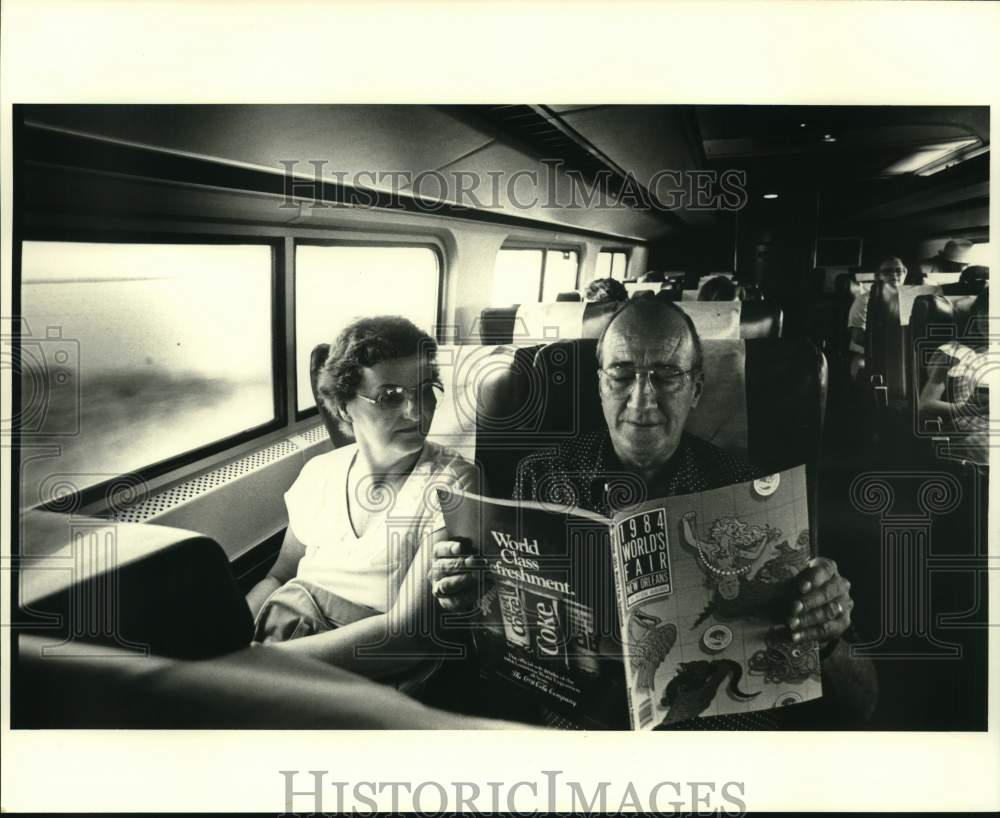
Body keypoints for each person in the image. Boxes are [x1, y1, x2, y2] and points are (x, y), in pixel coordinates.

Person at [430, 298, 878, 728]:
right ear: (600, 383)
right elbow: (502, 642)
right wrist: (471, 598)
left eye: (666, 377)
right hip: (574, 737)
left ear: (696, 388)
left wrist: (828, 634)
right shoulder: (540, 479)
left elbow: (862, 702)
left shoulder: (754, 495)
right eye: (622, 376)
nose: (642, 402)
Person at [246, 316, 479, 686]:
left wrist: (257, 665)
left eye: (426, 390)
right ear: (342, 405)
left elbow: (407, 637)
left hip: (365, 674)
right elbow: (280, 575)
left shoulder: (454, 483)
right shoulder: (319, 473)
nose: (417, 412)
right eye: (390, 397)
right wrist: (224, 641)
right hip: (283, 644)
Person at [917, 290, 989, 465]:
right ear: (977, 315)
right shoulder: (952, 354)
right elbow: (926, 403)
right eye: (986, 312)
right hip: (965, 427)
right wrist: (969, 409)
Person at [846, 256, 907, 379]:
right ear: (877, 276)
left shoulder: (910, 298)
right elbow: (858, 337)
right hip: (868, 353)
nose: (894, 275)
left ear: (905, 273)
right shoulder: (864, 300)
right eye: (888, 271)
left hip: (904, 352)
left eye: (898, 271)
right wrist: (892, 345)